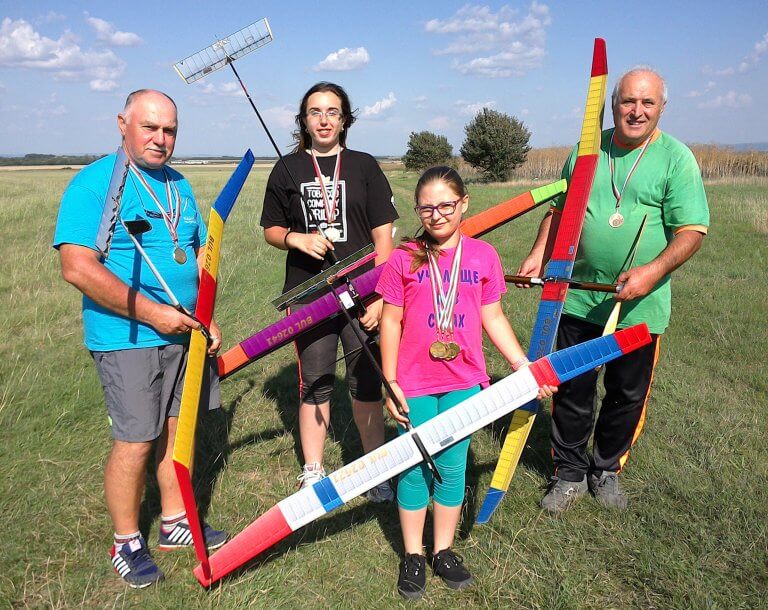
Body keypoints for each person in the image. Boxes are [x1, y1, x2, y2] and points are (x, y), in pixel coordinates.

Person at [54, 90, 228, 588]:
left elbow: (196, 257)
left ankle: (174, 522)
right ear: (122, 125)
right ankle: (127, 540)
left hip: (182, 332)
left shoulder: (178, 185)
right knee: (136, 438)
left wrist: (202, 317)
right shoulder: (93, 187)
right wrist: (154, 314)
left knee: (179, 428)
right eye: (149, 127)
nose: (161, 139)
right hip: (127, 335)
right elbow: (77, 267)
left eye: (169, 129)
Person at [518, 66, 710, 513]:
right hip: (577, 298)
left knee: (626, 394)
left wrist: (651, 271)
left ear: (661, 107)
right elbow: (559, 210)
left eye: (647, 103)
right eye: (628, 101)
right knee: (572, 389)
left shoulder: (677, 158)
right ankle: (567, 473)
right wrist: (538, 256)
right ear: (614, 104)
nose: (636, 111)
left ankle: (604, 469)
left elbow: (691, 231)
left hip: (640, 306)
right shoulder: (586, 152)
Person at [377, 166, 556, 599]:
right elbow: (390, 319)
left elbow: (492, 316)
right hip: (414, 381)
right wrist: (390, 380)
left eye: (445, 205)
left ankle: (443, 550)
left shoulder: (483, 256)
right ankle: (413, 556)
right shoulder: (405, 257)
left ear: (463, 205)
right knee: (416, 467)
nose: (436, 215)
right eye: (426, 207)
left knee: (453, 466)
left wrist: (520, 364)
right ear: (417, 209)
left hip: (464, 380)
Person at [260, 82, 398, 501]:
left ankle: (374, 470)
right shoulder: (286, 169)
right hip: (308, 294)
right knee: (316, 382)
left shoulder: (364, 166)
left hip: (363, 294)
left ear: (345, 120)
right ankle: (313, 470)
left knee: (366, 385)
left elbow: (383, 237)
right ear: (303, 120)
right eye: (315, 112)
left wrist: (380, 295)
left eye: (332, 112)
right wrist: (296, 240)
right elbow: (270, 229)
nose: (323, 120)